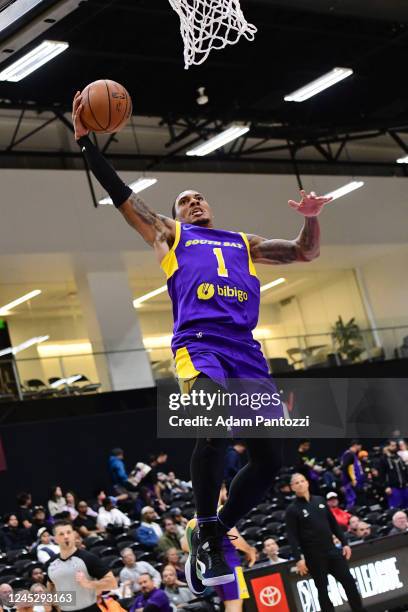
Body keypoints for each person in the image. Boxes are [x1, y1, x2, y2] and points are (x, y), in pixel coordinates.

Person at [72, 90, 331, 587]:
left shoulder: (242, 242)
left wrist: (312, 218)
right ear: (178, 215)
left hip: (246, 352)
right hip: (200, 345)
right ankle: (210, 535)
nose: (194, 201)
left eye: (199, 196)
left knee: (269, 459)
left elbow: (304, 253)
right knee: (212, 424)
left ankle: (210, 532)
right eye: (185, 200)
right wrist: (88, 145)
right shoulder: (170, 235)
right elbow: (124, 198)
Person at [286, 473, 366, 612]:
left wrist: (345, 543)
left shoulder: (320, 500)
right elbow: (292, 536)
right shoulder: (292, 510)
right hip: (313, 555)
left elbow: (333, 524)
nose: (300, 484)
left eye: (302, 481)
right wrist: (298, 558)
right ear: (292, 487)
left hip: (332, 550)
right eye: (296, 482)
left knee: (349, 582)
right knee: (322, 590)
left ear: (307, 483)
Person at [47, 519, 117, 612]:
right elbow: (51, 584)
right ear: (55, 538)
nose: (66, 536)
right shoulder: (51, 564)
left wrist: (89, 584)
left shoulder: (88, 558)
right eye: (61, 534)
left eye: (69, 532)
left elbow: (112, 583)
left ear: (74, 534)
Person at [379, 439, 408, 509]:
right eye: (392, 446)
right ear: (387, 447)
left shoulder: (399, 457)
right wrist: (386, 487)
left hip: (404, 486)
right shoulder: (383, 459)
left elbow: (404, 471)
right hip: (393, 488)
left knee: (406, 507)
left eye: (395, 445)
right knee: (396, 508)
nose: (395, 447)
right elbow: (382, 474)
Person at [341, 441, 365, 509]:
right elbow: (346, 468)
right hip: (351, 484)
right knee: (352, 503)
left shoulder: (353, 455)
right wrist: (351, 480)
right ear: (355, 445)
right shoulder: (348, 454)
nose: (360, 448)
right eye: (359, 446)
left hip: (357, 484)